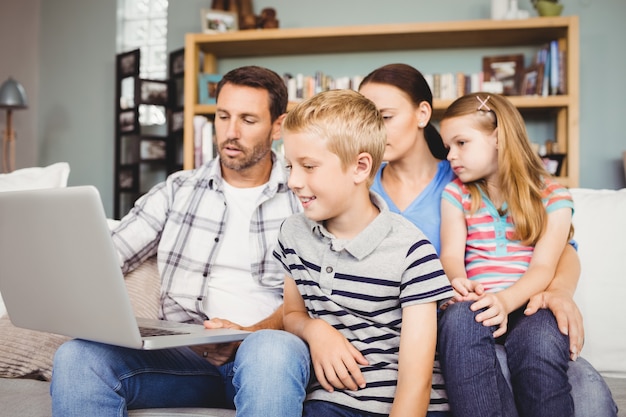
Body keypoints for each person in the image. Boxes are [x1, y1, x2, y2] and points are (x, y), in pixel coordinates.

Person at [358, 63, 617, 416]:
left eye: (384, 116)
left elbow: (560, 253)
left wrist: (559, 292)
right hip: (437, 329)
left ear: (422, 114)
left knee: (589, 397)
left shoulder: (463, 177)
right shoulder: (357, 187)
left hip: (512, 311)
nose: (373, 130)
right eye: (365, 118)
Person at [50, 65, 307, 416]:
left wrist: (250, 332)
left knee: (270, 351)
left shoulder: (303, 195)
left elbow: (314, 295)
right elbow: (109, 255)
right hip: (187, 360)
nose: (231, 132)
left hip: (268, 355)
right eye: (223, 116)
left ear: (277, 125)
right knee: (78, 356)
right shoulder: (177, 190)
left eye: (248, 120)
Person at [274, 88, 455, 417]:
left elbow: (416, 382)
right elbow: (292, 315)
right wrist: (315, 330)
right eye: (289, 166)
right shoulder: (293, 234)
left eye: (308, 166)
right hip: (330, 403)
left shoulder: (411, 251)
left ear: (359, 167)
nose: (294, 181)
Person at [438, 92, 575, 416]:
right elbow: (452, 256)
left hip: (530, 303)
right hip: (480, 299)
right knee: (458, 319)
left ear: (498, 137)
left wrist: (507, 301)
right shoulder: (456, 193)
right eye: (447, 147)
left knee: (541, 344)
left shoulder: (553, 195)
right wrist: (459, 281)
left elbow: (544, 267)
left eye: (461, 143)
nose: (451, 157)